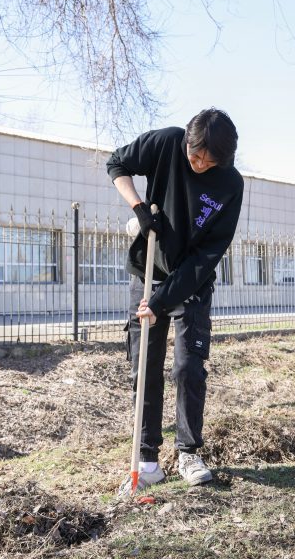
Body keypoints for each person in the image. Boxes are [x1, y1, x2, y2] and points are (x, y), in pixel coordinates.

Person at [106, 108, 243, 495]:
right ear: (187, 141)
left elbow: (207, 256)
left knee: (188, 368)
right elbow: (116, 164)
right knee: (144, 367)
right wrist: (138, 208)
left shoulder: (231, 184)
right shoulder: (167, 142)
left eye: (209, 162)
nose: (199, 165)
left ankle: (188, 454)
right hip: (148, 275)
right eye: (195, 156)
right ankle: (147, 461)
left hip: (191, 285)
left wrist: (162, 301)